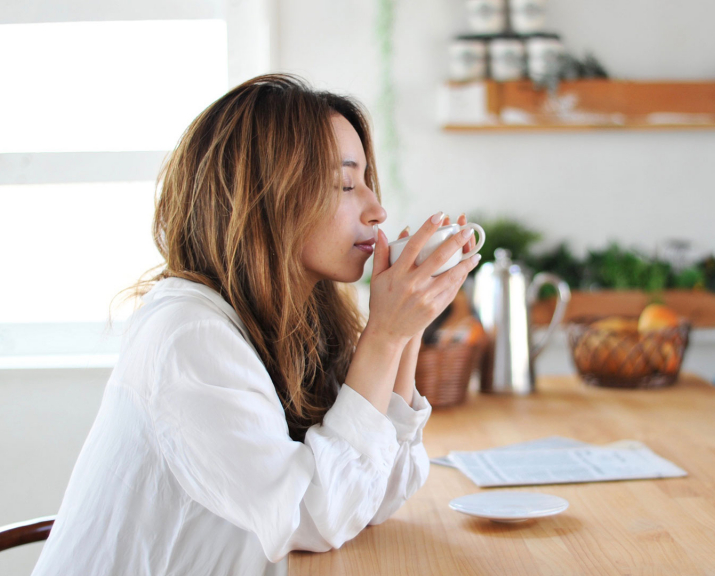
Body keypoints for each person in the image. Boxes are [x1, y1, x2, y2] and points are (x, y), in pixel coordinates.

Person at [31, 74, 479, 576]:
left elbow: (375, 495)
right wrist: (386, 334)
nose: (377, 210)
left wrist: (408, 328)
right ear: (267, 197)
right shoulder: (188, 335)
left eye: (367, 182)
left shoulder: (306, 319)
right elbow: (312, 517)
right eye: (346, 184)